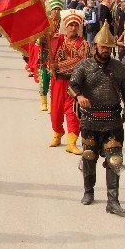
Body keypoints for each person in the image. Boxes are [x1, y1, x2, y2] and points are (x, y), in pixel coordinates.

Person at [70, 24, 125, 214]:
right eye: (102, 46)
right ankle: (88, 191)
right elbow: (72, 85)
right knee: (89, 157)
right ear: (95, 46)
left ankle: (113, 201)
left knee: (114, 160)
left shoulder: (118, 67)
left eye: (109, 47)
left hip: (112, 119)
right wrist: (79, 96)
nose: (105, 50)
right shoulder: (84, 65)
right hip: (90, 119)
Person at [48, 9, 88, 153]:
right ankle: (57, 134)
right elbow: (47, 45)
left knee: (72, 112)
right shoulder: (59, 39)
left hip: (73, 82)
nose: (73, 27)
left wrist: (58, 65)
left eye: (75, 25)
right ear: (66, 25)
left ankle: (72, 141)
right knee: (55, 110)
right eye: (70, 25)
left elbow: (79, 61)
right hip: (58, 81)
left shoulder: (83, 43)